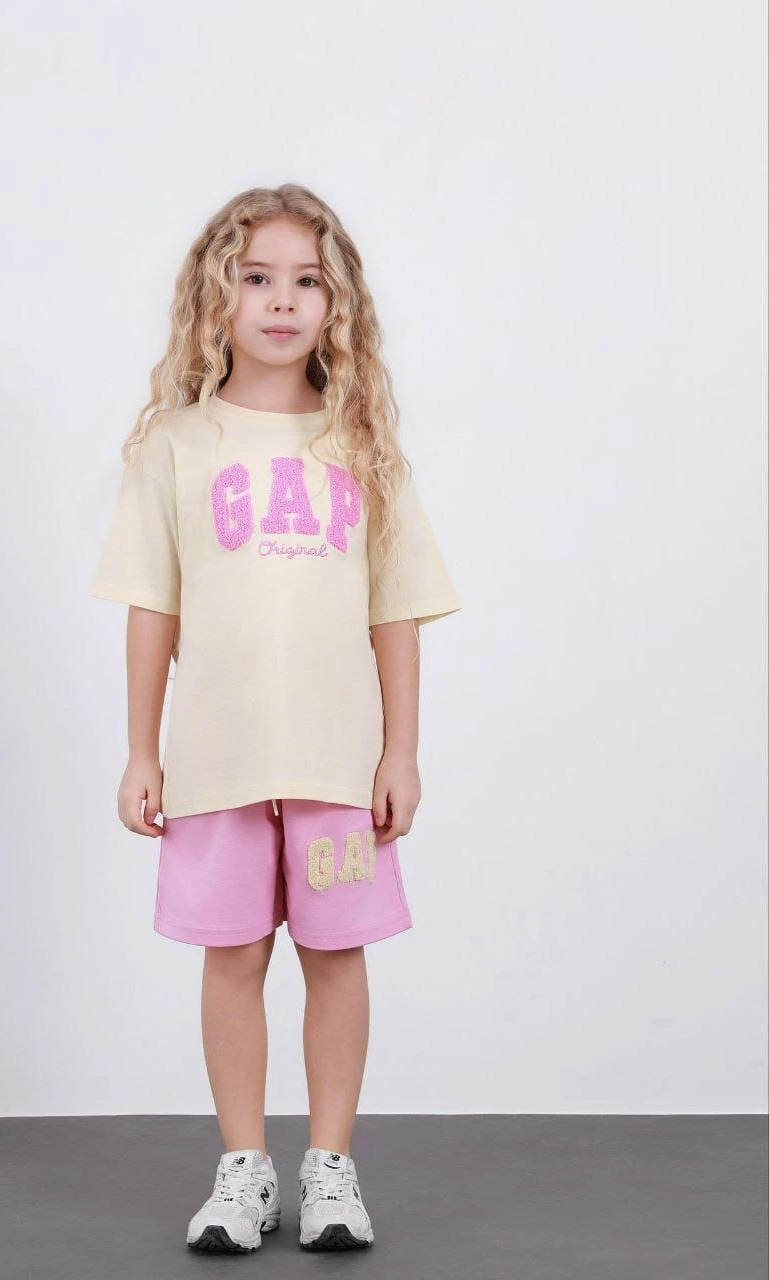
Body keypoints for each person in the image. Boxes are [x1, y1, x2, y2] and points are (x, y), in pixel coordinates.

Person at [89, 184, 462, 1254]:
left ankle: (330, 1167)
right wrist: (141, 751)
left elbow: (395, 612)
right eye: (257, 278)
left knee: (336, 958)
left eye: (307, 281)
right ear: (218, 294)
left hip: (338, 767)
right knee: (233, 954)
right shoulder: (175, 445)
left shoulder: (362, 443)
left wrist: (400, 750)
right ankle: (243, 1168)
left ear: (337, 304)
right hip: (215, 765)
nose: (282, 300)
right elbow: (151, 608)